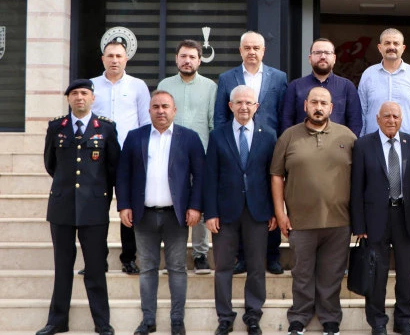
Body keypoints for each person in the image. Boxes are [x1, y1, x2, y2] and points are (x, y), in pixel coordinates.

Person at [116, 91, 205, 335]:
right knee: (147, 268)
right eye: (156, 106)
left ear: (174, 110)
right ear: (149, 110)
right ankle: (148, 320)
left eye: (166, 106)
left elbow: (200, 177)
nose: (161, 110)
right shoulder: (135, 138)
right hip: (143, 215)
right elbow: (122, 175)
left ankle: (177, 319)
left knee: (177, 268)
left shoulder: (189, 138)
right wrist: (124, 205)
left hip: (175, 216)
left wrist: (196, 207)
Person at [271, 87, 357, 335]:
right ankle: (299, 317)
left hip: (339, 221)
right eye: (314, 102)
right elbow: (277, 176)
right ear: (306, 105)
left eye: (324, 103)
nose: (319, 107)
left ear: (331, 108)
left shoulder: (347, 137)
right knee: (302, 273)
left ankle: (330, 319)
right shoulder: (288, 136)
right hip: (300, 221)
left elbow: (360, 179)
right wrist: (280, 213)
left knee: (332, 274)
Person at [36, 79, 119, 335]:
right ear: (68, 99)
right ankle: (57, 321)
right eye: (74, 94)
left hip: (94, 207)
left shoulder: (105, 128)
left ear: (93, 98)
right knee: (62, 266)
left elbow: (112, 167)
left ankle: (102, 323)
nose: (79, 97)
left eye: (84, 93)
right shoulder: (56, 127)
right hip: (62, 206)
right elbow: (51, 164)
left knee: (95, 268)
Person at [204, 85, 278, 335]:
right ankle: (225, 317)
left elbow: (273, 177)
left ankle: (253, 316)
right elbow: (210, 176)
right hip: (225, 213)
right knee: (223, 266)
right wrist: (210, 212)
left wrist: (274, 212)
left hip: (258, 212)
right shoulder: (218, 135)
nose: (244, 107)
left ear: (256, 106)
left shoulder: (268, 135)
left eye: (249, 102)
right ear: (230, 106)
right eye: (239, 102)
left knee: (257, 266)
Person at [351, 101, 410, 335]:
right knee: (376, 273)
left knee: (407, 273)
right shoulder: (363, 145)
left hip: (406, 216)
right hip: (375, 218)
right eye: (386, 116)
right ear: (377, 119)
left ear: (402, 119)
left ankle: (403, 320)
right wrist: (359, 224)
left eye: (395, 116)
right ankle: (377, 322)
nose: (391, 120)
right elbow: (356, 187)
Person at [214, 30, 287, 275]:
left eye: (257, 48)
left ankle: (273, 254)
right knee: (243, 200)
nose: (252, 52)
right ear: (241, 50)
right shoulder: (227, 78)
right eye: (247, 48)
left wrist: (284, 146)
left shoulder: (278, 78)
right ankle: (243, 257)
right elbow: (220, 116)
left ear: (264, 51)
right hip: (238, 146)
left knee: (270, 196)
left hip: (270, 147)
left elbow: (283, 115)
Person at [157, 39, 217, 274]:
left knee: (198, 205)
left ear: (199, 60)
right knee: (171, 204)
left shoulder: (210, 87)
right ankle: (175, 253)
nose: (187, 60)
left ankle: (201, 254)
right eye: (183, 56)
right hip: (170, 155)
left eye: (192, 57)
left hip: (201, 155)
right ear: (176, 59)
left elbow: (213, 123)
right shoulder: (165, 85)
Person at [91, 40, 151, 275]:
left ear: (126, 59)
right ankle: (98, 260)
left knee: (130, 209)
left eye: (119, 56)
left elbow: (145, 123)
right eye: (110, 56)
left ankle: (129, 258)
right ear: (103, 59)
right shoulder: (92, 86)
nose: (115, 60)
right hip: (98, 157)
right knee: (97, 211)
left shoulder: (138, 86)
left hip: (129, 156)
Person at [358, 27, 410, 146]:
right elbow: (361, 112)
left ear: (403, 48)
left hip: (409, 145)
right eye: (387, 43)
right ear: (380, 47)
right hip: (373, 145)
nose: (391, 47)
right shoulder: (368, 74)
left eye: (396, 43)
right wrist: (360, 143)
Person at [282, 37, 362, 135]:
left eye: (327, 53)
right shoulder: (295, 86)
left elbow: (355, 123)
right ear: (310, 58)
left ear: (334, 58)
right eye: (318, 53)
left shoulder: (347, 87)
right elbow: (286, 121)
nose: (323, 56)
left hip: (337, 147)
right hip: (302, 146)